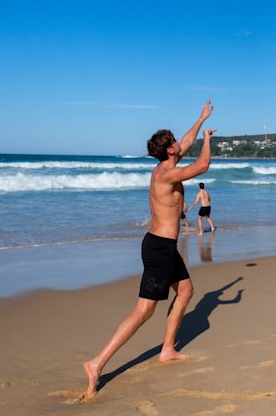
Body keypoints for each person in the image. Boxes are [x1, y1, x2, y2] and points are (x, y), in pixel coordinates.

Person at [82, 100, 216, 401]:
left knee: (186, 291)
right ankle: (96, 363)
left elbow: (186, 141)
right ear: (169, 150)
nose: (179, 143)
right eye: (174, 143)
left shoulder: (164, 166)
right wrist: (208, 139)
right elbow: (203, 165)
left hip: (163, 246)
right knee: (143, 311)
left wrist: (200, 118)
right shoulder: (168, 174)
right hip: (159, 249)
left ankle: (167, 349)